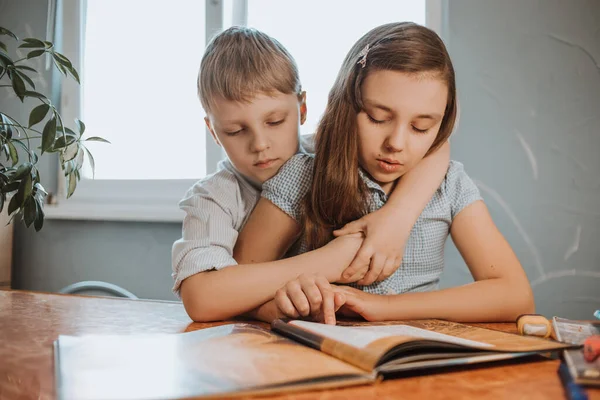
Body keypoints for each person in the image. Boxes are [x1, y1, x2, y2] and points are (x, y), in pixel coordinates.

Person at [235, 22, 535, 324]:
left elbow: (515, 295)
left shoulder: (449, 186)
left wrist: (386, 308)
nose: (396, 144)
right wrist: (282, 305)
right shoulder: (301, 175)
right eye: (378, 118)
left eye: (421, 127)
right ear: (347, 106)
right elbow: (234, 288)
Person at [171, 26, 451, 323]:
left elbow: (438, 147)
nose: (260, 144)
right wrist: (329, 262)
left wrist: (396, 218)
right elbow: (202, 299)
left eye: (275, 121)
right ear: (213, 131)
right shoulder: (213, 199)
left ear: (302, 107)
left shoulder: (323, 152)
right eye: (235, 131)